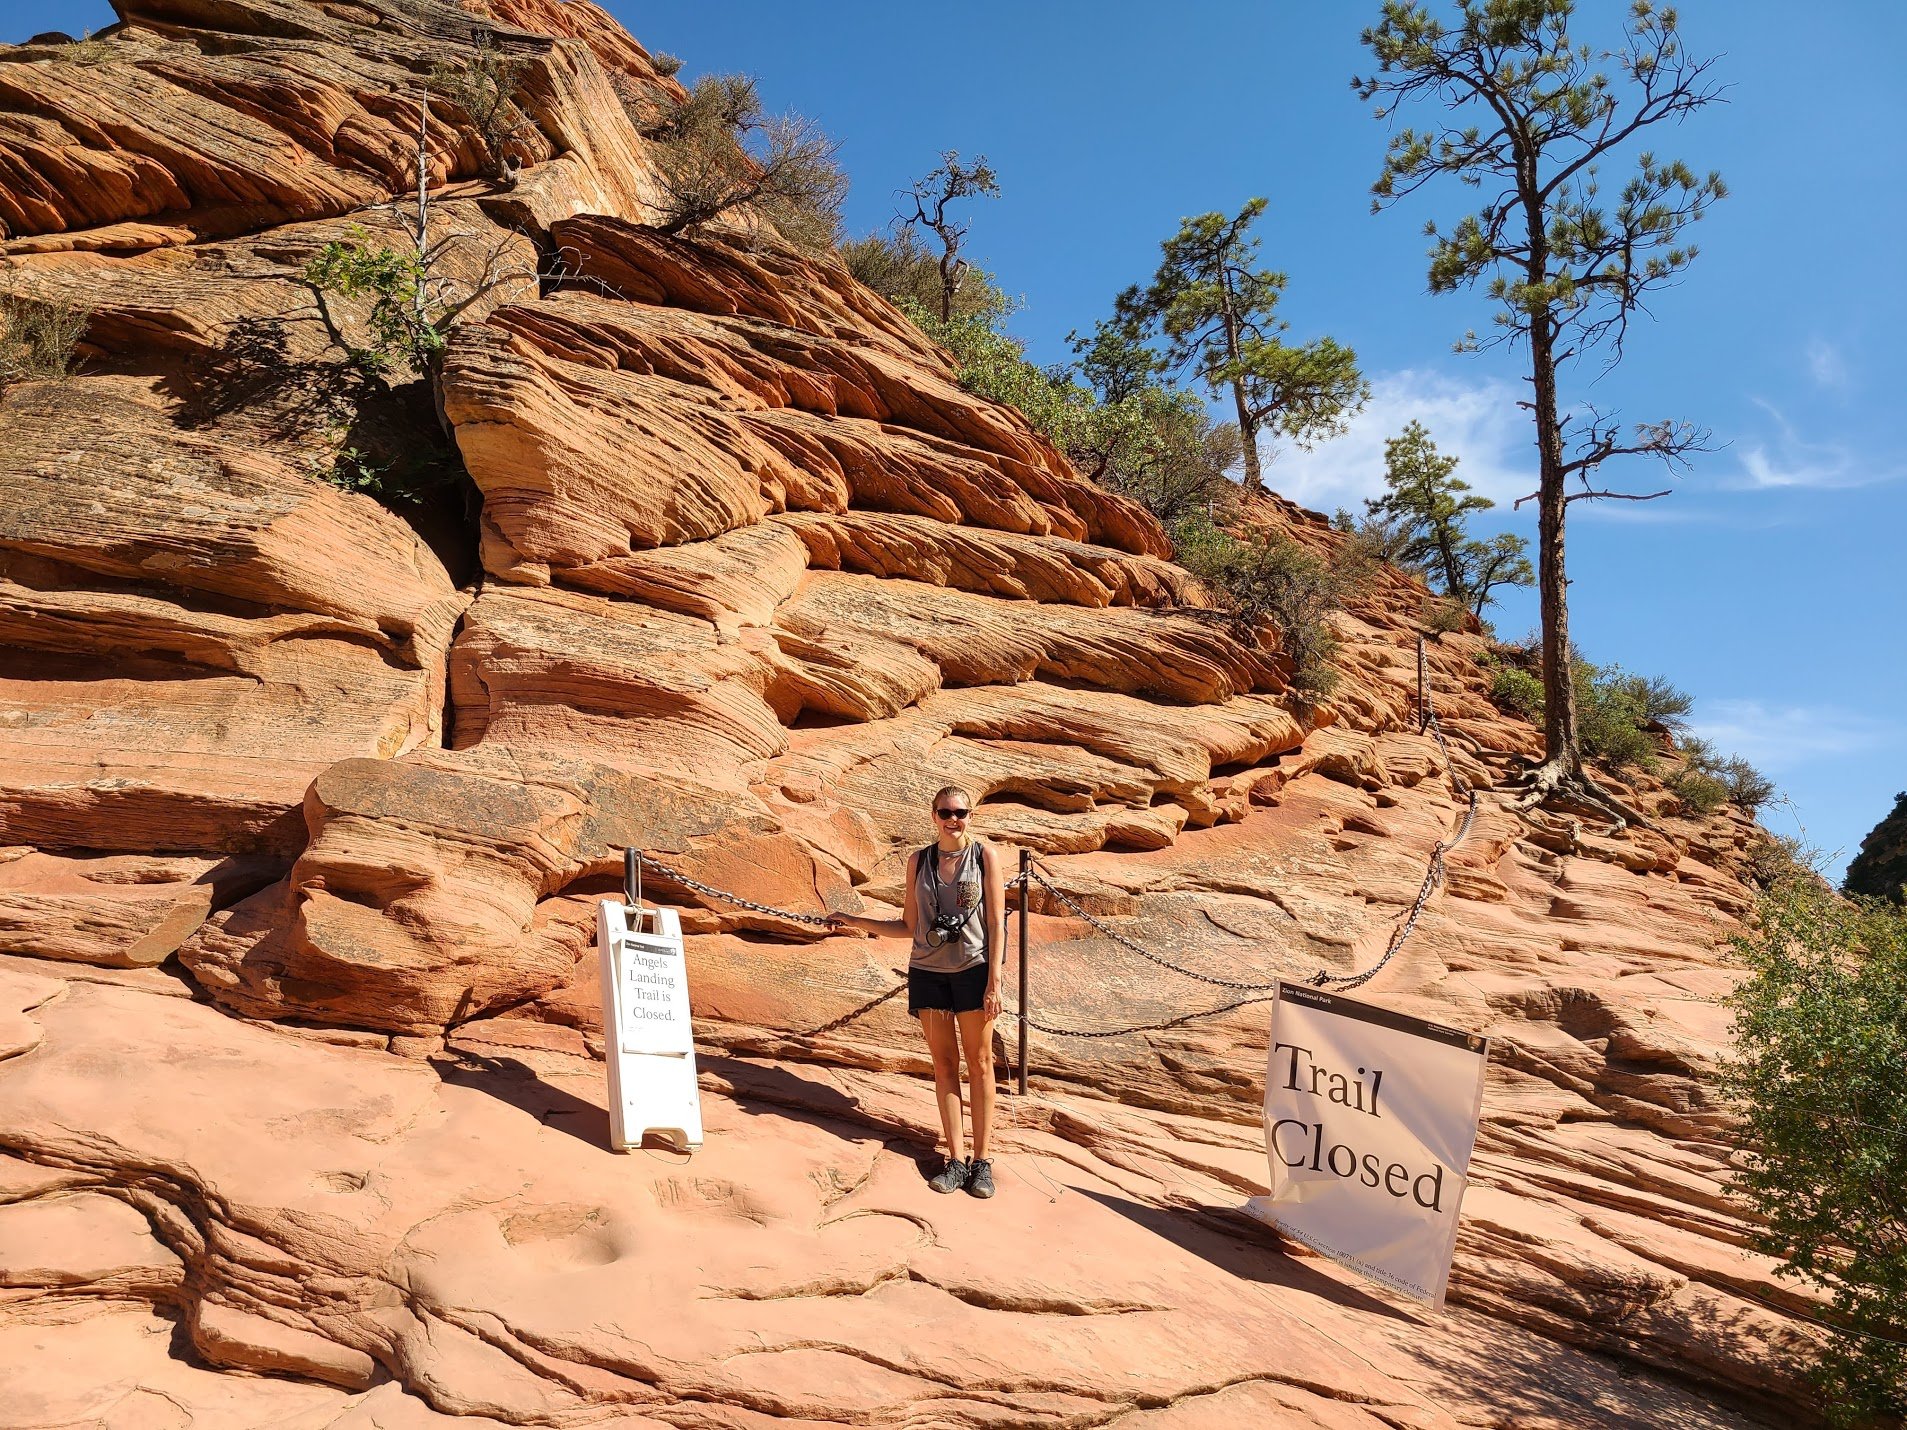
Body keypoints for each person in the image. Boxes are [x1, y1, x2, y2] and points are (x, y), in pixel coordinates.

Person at [830, 785, 1006, 1198]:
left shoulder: (983, 857)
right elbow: (908, 925)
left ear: (970, 816)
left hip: (973, 970)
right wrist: (853, 919)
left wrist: (994, 980)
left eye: (961, 812)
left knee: (979, 1063)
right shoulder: (919, 861)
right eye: (945, 812)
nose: (953, 819)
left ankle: (982, 1162)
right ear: (933, 816)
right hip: (928, 972)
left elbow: (997, 923)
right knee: (944, 1064)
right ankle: (955, 1160)